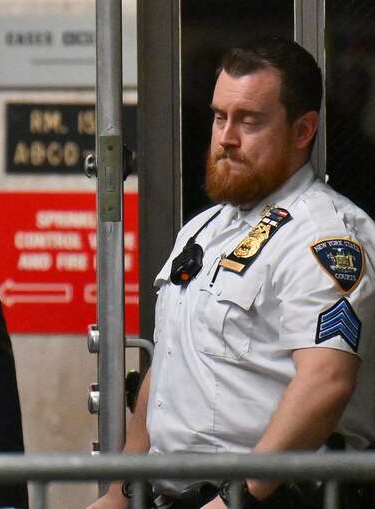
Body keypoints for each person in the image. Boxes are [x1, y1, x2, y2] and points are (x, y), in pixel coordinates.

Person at [88, 37, 375, 509]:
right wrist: (121, 492)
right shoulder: (203, 229)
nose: (226, 137)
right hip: (178, 496)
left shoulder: (326, 236)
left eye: (249, 121)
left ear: (303, 130)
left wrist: (241, 497)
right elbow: (171, 366)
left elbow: (326, 382)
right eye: (220, 117)